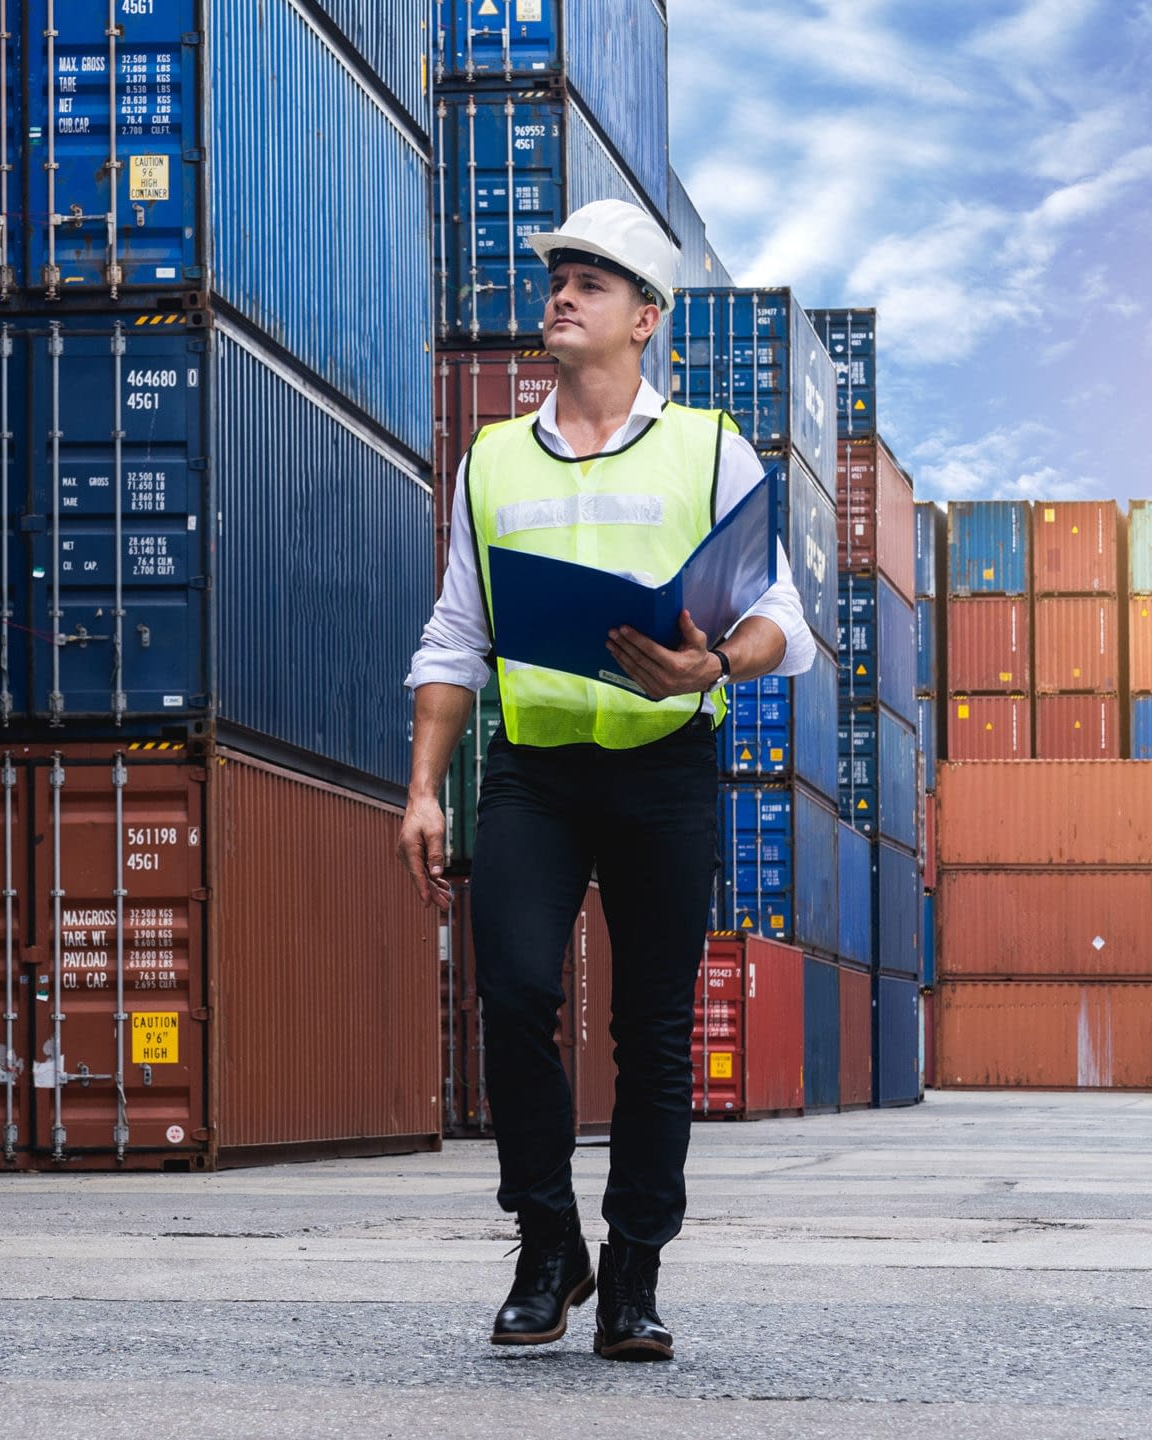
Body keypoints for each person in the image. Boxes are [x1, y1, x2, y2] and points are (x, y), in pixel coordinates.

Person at [396, 200, 819, 1361]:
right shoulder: (491, 459)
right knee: (516, 996)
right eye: (558, 276)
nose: (563, 292)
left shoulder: (711, 447)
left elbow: (782, 613)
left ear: (647, 319)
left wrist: (712, 662)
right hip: (534, 768)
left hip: (665, 769)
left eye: (592, 280)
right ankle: (547, 1246)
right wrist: (426, 789)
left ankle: (633, 1273)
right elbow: (451, 639)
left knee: (652, 1030)